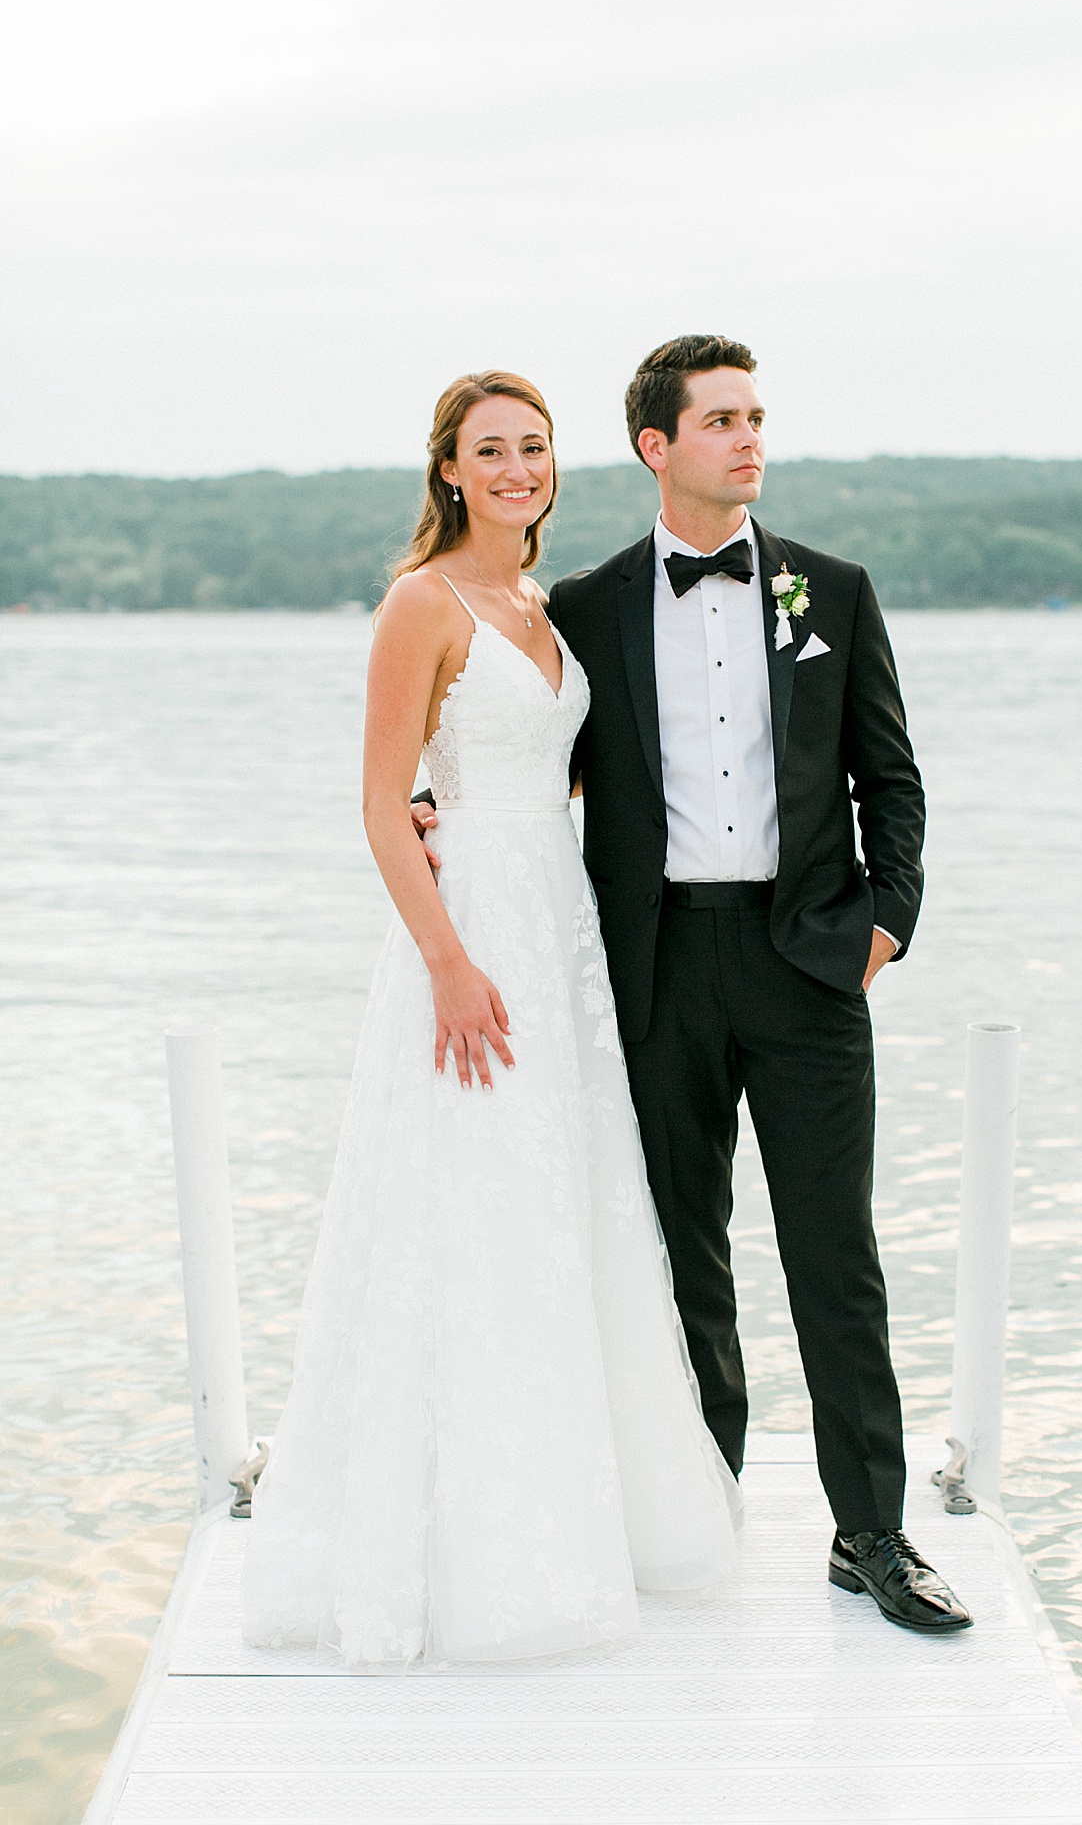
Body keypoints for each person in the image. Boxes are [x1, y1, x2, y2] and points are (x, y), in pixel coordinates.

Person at [240, 370, 739, 1668]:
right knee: (467, 1207)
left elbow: (567, 771)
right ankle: (467, 1555)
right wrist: (448, 959)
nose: (517, 467)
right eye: (490, 450)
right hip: (473, 944)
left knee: (563, 1204)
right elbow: (379, 799)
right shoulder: (423, 601)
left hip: (557, 925)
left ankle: (584, 1513)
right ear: (449, 471)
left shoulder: (542, 608)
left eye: (534, 447)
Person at [541, 334, 970, 1633]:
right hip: (660, 966)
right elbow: (530, 766)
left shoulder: (829, 593)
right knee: (683, 1257)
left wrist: (883, 922)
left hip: (808, 967)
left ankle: (875, 1537)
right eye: (719, 420)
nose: (748, 438)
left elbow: (890, 777)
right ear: (654, 445)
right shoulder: (588, 608)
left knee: (835, 1255)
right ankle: (696, 1509)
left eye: (755, 416)